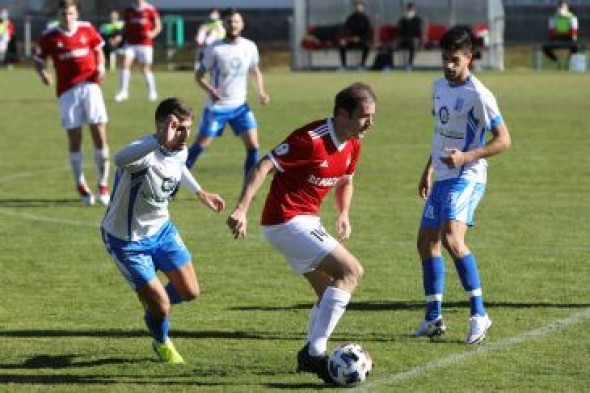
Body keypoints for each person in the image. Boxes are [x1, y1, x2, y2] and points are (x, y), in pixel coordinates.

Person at [227, 82, 376, 383]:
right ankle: (315, 352)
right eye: (364, 116)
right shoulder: (311, 139)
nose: (370, 123)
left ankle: (309, 356)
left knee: (328, 293)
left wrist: (343, 213)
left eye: (373, 116)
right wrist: (242, 208)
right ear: (342, 114)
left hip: (307, 221)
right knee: (351, 271)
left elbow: (346, 180)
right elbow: (263, 166)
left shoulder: (353, 143)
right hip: (285, 221)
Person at [101, 97, 225, 363]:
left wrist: (200, 192)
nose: (184, 134)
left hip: (162, 231)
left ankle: (154, 306)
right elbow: (120, 158)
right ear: (161, 125)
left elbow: (179, 167)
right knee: (163, 304)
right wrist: (159, 138)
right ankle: (161, 340)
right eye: (178, 127)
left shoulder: (180, 150)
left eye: (187, 128)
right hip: (127, 241)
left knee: (190, 291)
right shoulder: (143, 154)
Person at [414, 26, 511, 345]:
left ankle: (479, 314)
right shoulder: (437, 86)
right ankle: (433, 318)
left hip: (467, 175)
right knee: (426, 240)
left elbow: (504, 140)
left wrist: (467, 155)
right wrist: (427, 169)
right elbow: (440, 132)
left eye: (455, 60)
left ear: (469, 58)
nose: (448, 66)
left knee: (452, 239)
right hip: (441, 175)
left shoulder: (479, 94)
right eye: (444, 59)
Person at [33, 0, 111, 206]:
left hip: (91, 86)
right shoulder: (50, 36)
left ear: (76, 14)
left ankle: (103, 184)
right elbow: (38, 59)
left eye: (70, 14)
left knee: (99, 134)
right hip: (67, 92)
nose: (67, 18)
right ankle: (81, 184)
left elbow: (98, 49)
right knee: (75, 139)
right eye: (63, 14)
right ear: (59, 16)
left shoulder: (87, 28)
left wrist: (101, 67)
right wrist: (43, 73)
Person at [186, 8, 270, 184]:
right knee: (200, 146)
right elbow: (198, 76)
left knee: (253, 146)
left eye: (236, 21)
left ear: (242, 24)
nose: (233, 25)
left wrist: (261, 92)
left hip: (240, 107)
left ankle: (249, 185)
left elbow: (255, 71)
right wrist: (210, 90)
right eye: (229, 22)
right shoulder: (214, 48)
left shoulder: (249, 46)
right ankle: (174, 183)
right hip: (217, 108)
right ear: (223, 24)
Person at [115, 0, 161, 102]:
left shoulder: (150, 9)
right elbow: (125, 26)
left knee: (145, 69)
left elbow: (158, 26)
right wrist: (119, 36)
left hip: (145, 44)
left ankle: (152, 92)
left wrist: (152, 34)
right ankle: (123, 91)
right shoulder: (129, 10)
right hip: (131, 43)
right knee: (125, 64)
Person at [542, 0, 580, 67]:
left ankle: (568, 63)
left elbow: (574, 32)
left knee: (576, 47)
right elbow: (551, 32)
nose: (561, 8)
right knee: (545, 47)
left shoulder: (572, 17)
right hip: (557, 39)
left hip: (568, 39)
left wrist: (573, 40)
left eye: (562, 6)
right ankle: (556, 61)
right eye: (559, 6)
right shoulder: (553, 17)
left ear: (567, 7)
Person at [338, 1, 372, 70]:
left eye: (360, 6)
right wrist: (344, 39)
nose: (358, 8)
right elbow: (344, 30)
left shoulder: (365, 19)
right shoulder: (351, 18)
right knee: (342, 45)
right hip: (351, 40)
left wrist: (360, 38)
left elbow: (368, 33)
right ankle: (343, 66)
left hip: (362, 40)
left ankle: (362, 65)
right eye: (356, 7)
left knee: (367, 46)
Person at [395, 2, 424, 71]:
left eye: (411, 10)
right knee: (391, 46)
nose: (409, 11)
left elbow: (419, 32)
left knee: (412, 45)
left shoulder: (418, 20)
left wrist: (421, 41)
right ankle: (389, 64)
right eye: (408, 10)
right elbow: (399, 32)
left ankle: (409, 64)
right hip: (403, 40)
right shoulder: (402, 20)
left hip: (413, 40)